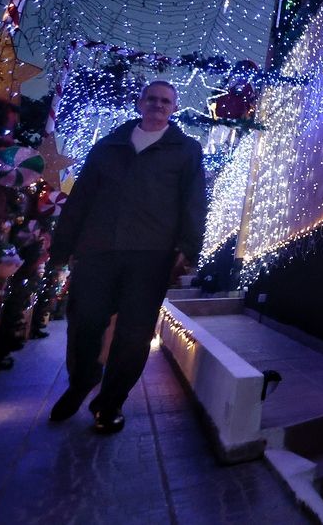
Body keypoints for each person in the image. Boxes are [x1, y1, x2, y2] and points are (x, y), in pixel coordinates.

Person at [48, 80, 206, 433]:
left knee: (134, 335)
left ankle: (110, 403)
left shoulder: (186, 150)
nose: (158, 105)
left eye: (165, 101)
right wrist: (62, 247)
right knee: (84, 323)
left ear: (173, 108)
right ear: (139, 103)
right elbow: (82, 197)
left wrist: (188, 250)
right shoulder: (108, 146)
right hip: (98, 249)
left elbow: (194, 203)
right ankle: (82, 380)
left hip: (151, 255)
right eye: (152, 98)